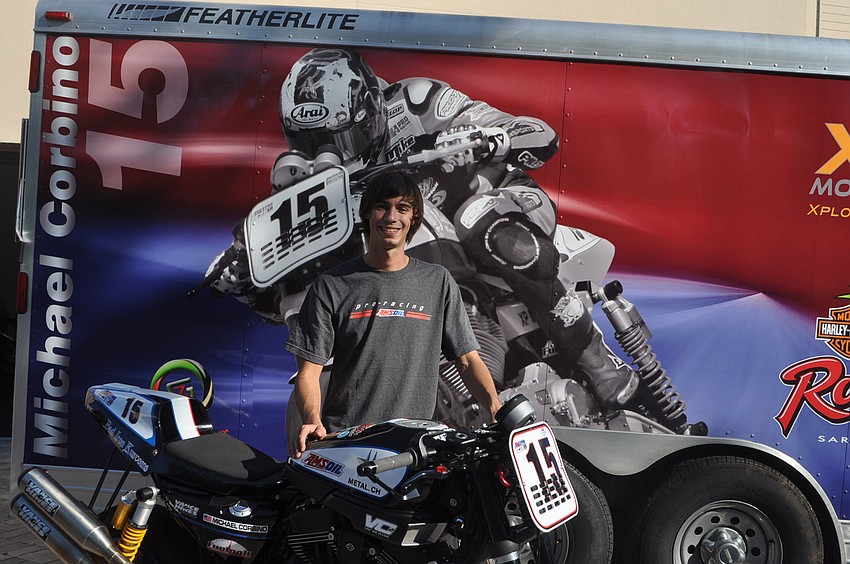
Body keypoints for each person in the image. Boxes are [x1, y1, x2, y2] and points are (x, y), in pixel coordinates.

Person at [285, 171, 502, 459]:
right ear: (367, 213)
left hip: (415, 446)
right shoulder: (332, 284)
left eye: (402, 208)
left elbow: (467, 359)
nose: (391, 217)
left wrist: (495, 408)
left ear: (414, 218)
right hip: (347, 443)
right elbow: (309, 372)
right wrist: (312, 419)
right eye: (382, 206)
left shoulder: (437, 281)